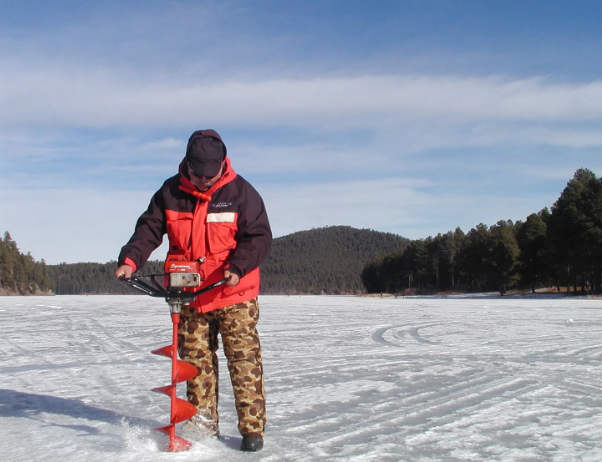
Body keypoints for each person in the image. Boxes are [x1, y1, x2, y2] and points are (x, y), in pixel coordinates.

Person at [114, 129, 272, 452]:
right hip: (188, 294)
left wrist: (237, 267)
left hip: (233, 293)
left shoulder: (241, 192)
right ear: (187, 164)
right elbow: (148, 230)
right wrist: (130, 259)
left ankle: (252, 430)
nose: (202, 181)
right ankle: (203, 426)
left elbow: (259, 237)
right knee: (195, 363)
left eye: (209, 175)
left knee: (243, 360)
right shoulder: (170, 193)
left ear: (220, 166)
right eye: (197, 174)